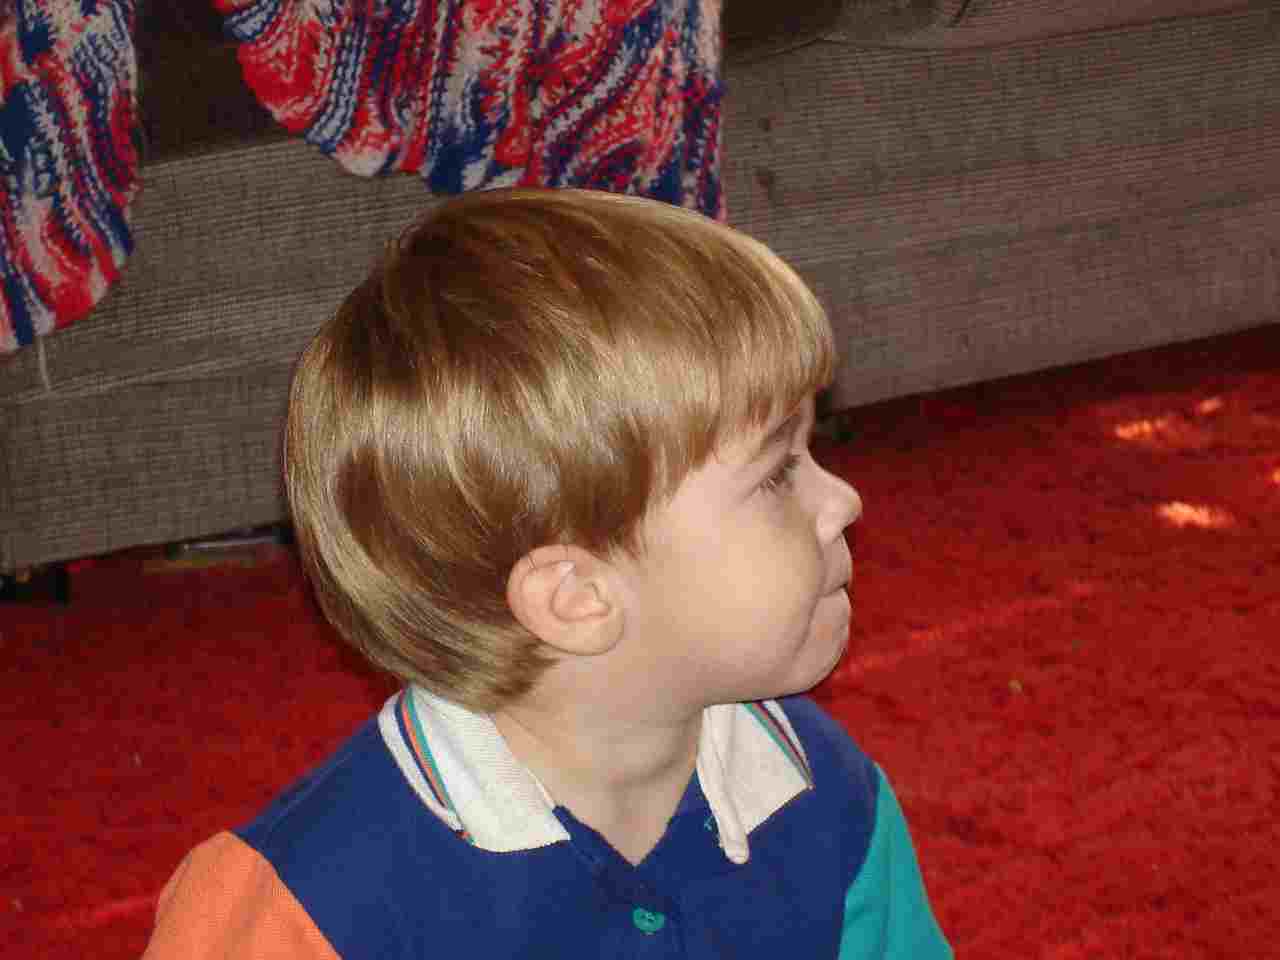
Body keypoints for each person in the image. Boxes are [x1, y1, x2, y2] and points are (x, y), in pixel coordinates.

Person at [142, 187, 952, 958]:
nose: (843, 500)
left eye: (814, 447)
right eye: (776, 474)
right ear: (576, 597)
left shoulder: (823, 795)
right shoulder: (309, 910)